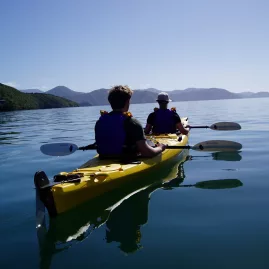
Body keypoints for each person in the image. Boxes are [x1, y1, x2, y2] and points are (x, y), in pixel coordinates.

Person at [95, 85, 166, 159]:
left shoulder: (100, 122)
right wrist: (160, 148)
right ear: (127, 101)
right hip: (126, 159)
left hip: (104, 157)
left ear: (110, 102)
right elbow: (147, 153)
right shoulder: (132, 122)